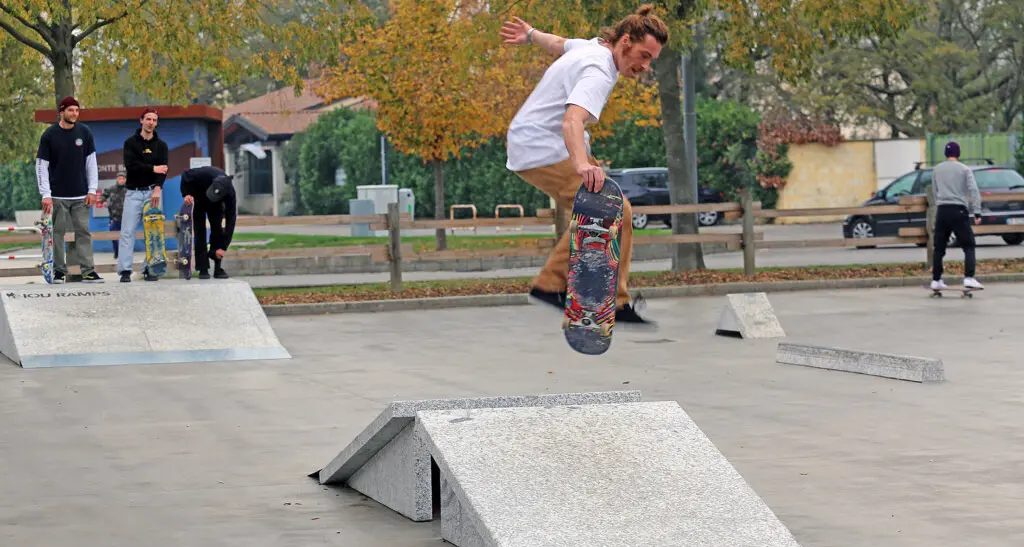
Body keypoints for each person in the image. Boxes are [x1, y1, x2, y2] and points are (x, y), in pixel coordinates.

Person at [499, 5, 667, 326]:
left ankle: (601, 296)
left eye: (650, 60)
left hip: (535, 141)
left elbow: (559, 42)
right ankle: (555, 286)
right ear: (626, 42)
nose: (644, 66)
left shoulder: (591, 46)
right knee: (609, 208)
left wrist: (531, 35)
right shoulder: (599, 70)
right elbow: (571, 120)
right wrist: (581, 164)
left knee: (616, 211)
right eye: (643, 55)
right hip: (543, 149)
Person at [35, 96, 103, 283]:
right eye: (71, 110)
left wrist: (92, 190)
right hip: (57, 196)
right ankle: (58, 271)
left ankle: (88, 271)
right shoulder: (49, 135)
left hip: (81, 195)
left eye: (77, 110)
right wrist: (46, 194)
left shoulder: (85, 132)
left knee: (83, 233)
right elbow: (41, 166)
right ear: (62, 112)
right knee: (57, 234)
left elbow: (91, 163)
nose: (74, 114)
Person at [118, 107, 169, 282]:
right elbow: (131, 166)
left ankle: (150, 269)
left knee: (153, 232)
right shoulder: (130, 143)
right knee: (127, 232)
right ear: (141, 120)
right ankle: (125, 270)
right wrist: (153, 168)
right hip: (133, 193)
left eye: (154, 120)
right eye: (148, 119)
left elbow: (164, 171)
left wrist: (157, 188)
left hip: (153, 193)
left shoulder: (161, 146)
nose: (151, 123)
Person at [930, 141, 984, 291]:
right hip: (959, 209)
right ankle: (969, 277)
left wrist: (940, 204)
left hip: (942, 209)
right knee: (968, 244)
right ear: (958, 154)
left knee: (939, 246)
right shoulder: (964, 169)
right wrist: (977, 211)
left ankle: (936, 279)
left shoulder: (937, 170)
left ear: (946, 154)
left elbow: (935, 191)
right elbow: (973, 190)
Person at [180, 165, 237, 279]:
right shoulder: (204, 174)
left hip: (216, 206)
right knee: (200, 233)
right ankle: (203, 269)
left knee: (217, 231)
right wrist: (186, 194)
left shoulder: (230, 193)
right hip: (199, 199)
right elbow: (185, 175)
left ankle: (217, 269)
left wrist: (223, 246)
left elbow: (231, 220)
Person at [101, 170, 127, 259]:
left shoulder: (129, 190)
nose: (121, 180)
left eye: (123, 178)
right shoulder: (111, 189)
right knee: (114, 237)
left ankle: (125, 253)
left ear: (125, 180)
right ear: (117, 179)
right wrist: (103, 201)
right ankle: (117, 252)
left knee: (126, 238)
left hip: (126, 218)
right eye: (119, 178)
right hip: (114, 218)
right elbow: (103, 195)